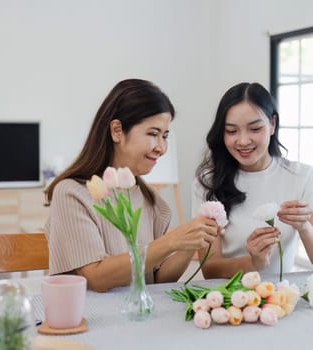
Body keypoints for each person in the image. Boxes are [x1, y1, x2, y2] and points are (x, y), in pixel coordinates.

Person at [45, 79, 219, 292]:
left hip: (138, 320)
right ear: (117, 130)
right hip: (89, 321)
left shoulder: (154, 203)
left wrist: (187, 243)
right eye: (153, 134)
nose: (161, 148)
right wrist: (171, 241)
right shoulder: (72, 193)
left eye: (164, 136)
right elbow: (96, 278)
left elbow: (158, 280)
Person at [192, 82, 313, 279]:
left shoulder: (304, 177)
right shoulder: (208, 183)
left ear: (272, 125)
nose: (242, 141)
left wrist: (304, 226)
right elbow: (210, 269)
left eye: (255, 129)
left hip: (279, 298)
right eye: (232, 131)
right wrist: (253, 263)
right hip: (227, 299)